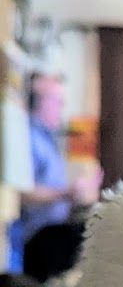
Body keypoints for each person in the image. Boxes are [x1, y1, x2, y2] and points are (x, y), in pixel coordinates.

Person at [8, 73, 99, 273]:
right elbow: (20, 193)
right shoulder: (27, 139)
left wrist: (76, 195)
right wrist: (66, 194)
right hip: (33, 240)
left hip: (48, 232)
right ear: (38, 101)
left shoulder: (49, 141)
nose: (60, 108)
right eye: (56, 102)